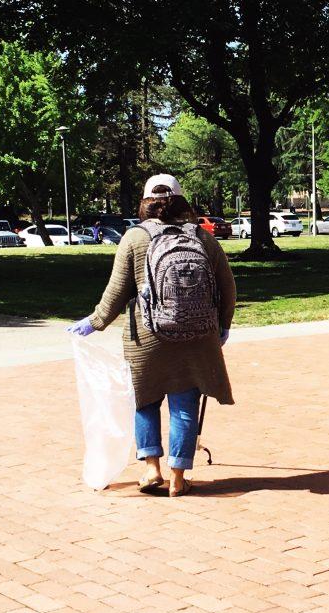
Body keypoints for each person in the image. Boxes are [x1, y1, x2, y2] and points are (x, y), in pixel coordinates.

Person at [68, 174, 236, 496]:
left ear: (146, 201)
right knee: (184, 406)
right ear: (181, 200)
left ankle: (150, 469)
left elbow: (116, 292)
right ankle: (178, 476)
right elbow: (227, 285)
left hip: (147, 337)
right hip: (197, 337)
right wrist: (222, 325)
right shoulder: (202, 237)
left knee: (145, 402)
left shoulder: (134, 238)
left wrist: (94, 322)